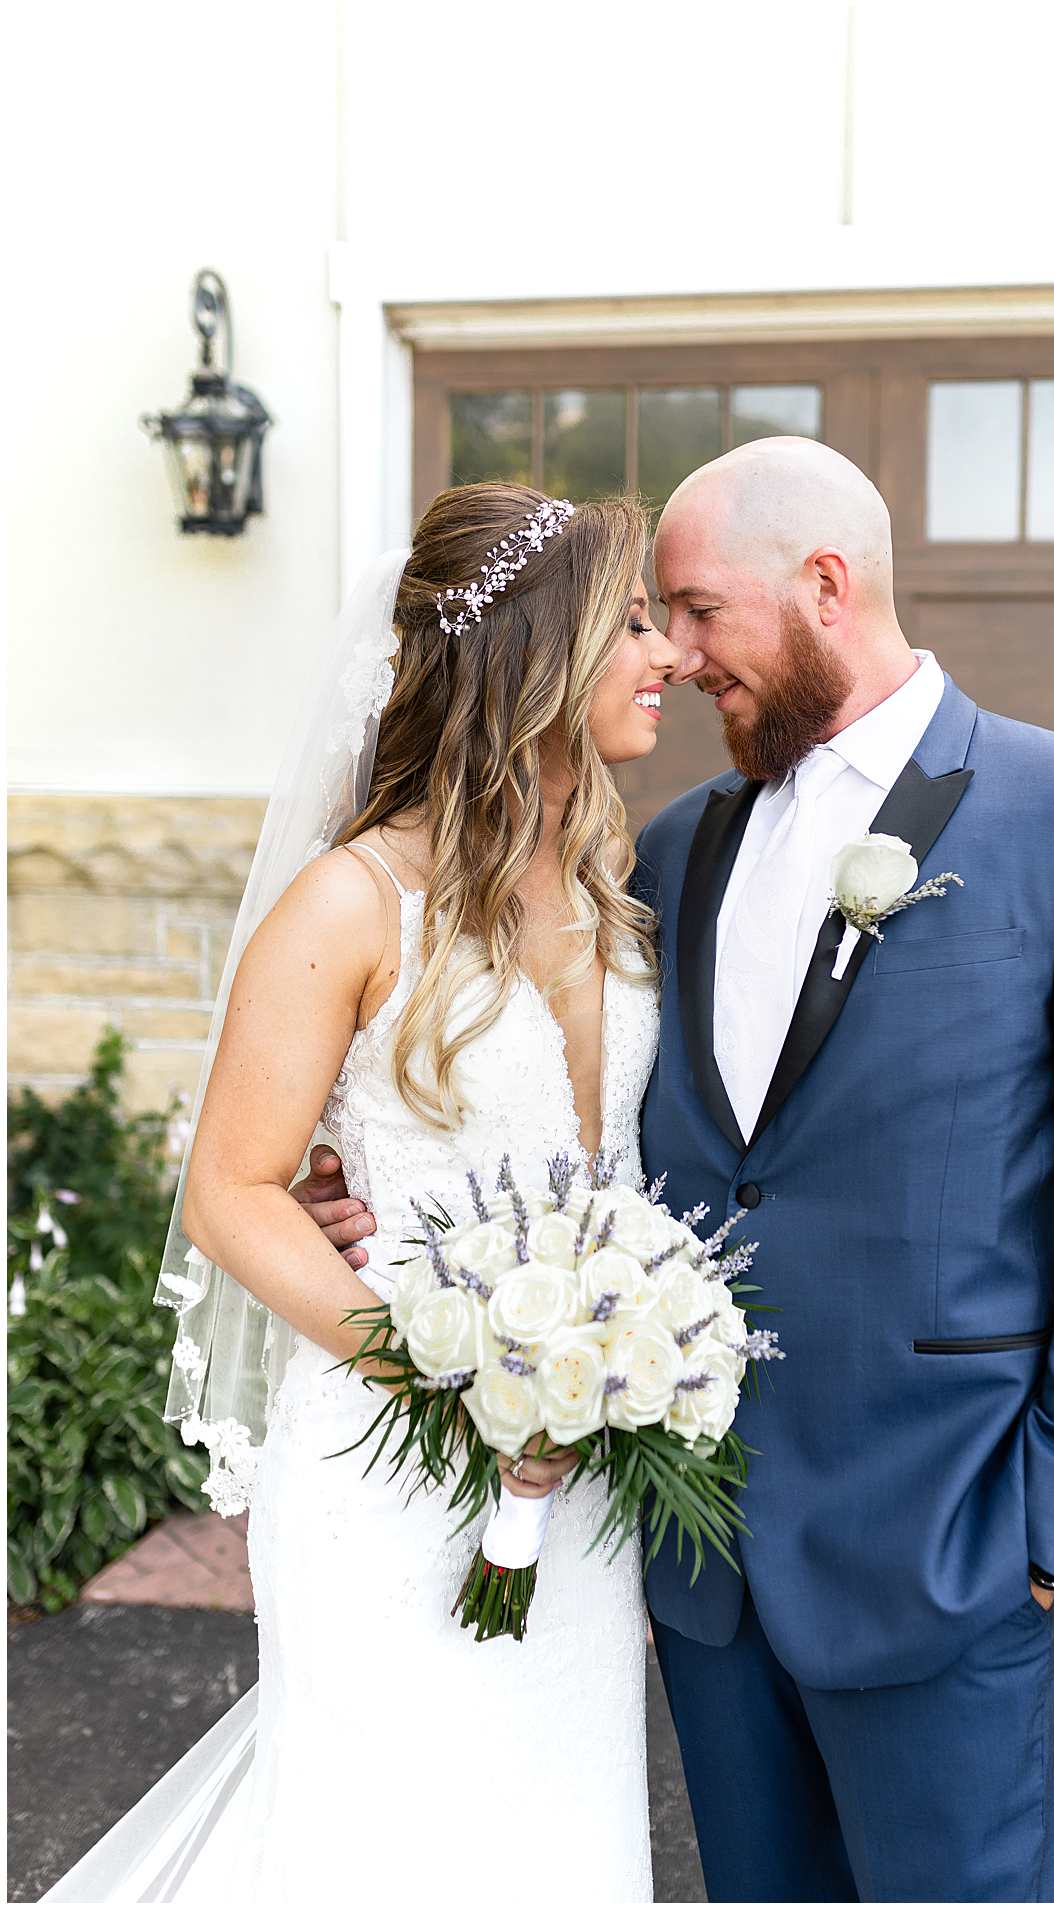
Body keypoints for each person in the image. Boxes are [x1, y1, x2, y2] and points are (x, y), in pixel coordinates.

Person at [307, 436, 1054, 1901]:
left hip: (951, 1548)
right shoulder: (672, 852)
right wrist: (358, 1189)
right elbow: (573, 1125)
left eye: (697, 610)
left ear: (824, 585)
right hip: (704, 1564)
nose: (674, 654)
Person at [43, 485, 679, 1905]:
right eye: (632, 623)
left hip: (579, 1472)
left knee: (554, 1827)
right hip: (397, 1464)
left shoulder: (604, 882)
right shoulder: (351, 900)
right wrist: (457, 1383)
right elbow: (230, 1193)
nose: (669, 654)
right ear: (539, 655)